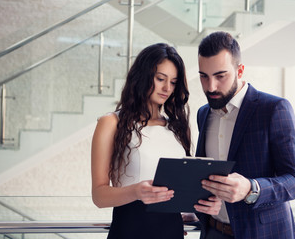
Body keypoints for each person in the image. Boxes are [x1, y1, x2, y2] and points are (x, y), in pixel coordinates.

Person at [91, 43, 221, 239]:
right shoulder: (111, 123)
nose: (167, 88)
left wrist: (203, 204)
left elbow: (182, 188)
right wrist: (136, 191)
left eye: (173, 82)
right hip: (129, 231)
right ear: (143, 76)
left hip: (172, 232)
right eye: (160, 78)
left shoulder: (177, 126)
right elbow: (99, 196)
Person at [194, 31, 295, 239]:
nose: (211, 87)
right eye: (204, 76)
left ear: (240, 71)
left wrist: (251, 188)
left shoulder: (274, 109)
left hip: (264, 234)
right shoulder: (203, 114)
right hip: (213, 232)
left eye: (220, 76)